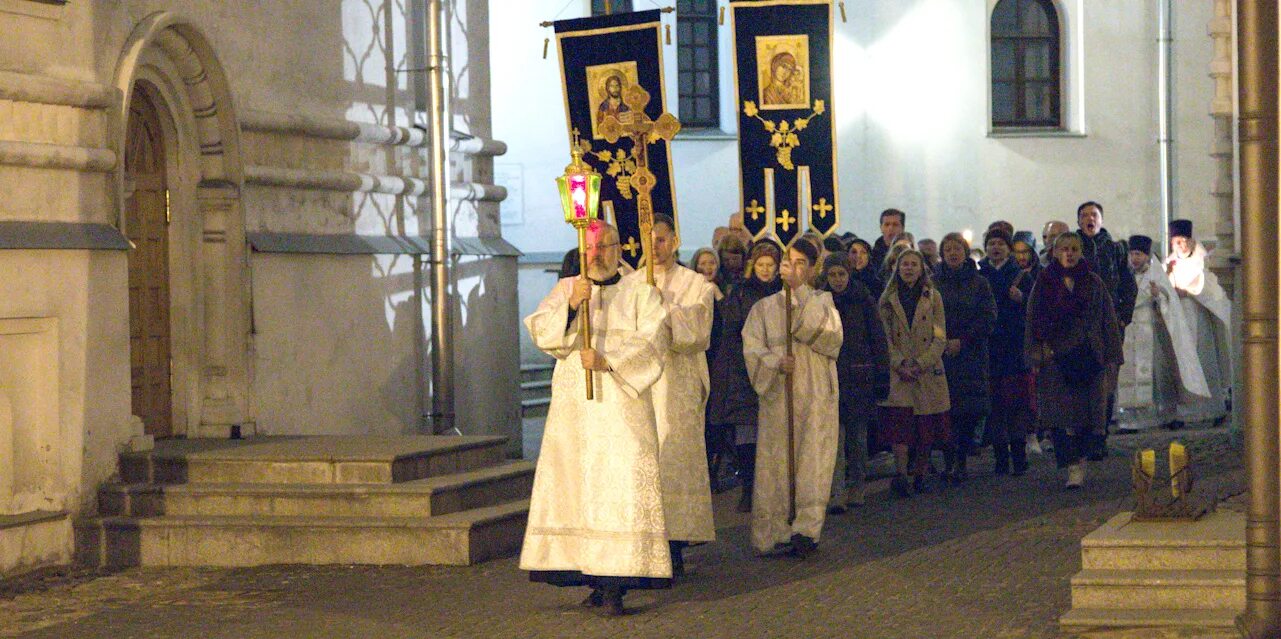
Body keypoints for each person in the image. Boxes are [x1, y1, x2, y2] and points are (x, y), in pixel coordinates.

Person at [521, 220, 671, 616]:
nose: (597, 255)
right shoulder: (569, 288)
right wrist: (572, 307)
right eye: (590, 248)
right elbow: (541, 331)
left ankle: (617, 584)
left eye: (605, 246)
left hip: (622, 408)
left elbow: (655, 341)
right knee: (578, 488)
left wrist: (608, 360)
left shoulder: (641, 290)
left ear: (619, 247)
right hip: (576, 412)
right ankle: (591, 575)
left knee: (619, 489)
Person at [743, 239, 843, 557]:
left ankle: (806, 529)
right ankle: (775, 529)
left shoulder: (823, 301)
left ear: (812, 268)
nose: (795, 268)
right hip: (779, 395)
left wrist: (799, 298)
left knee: (813, 459)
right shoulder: (763, 308)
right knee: (777, 462)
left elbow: (831, 340)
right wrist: (774, 362)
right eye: (791, 261)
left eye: (802, 262)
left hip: (814, 393)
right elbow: (752, 346)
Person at [639, 215, 717, 576]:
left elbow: (698, 330)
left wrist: (661, 309)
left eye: (662, 239)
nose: (655, 246)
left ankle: (677, 543)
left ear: (674, 241)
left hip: (679, 382)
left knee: (676, 461)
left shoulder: (695, 283)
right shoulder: (630, 283)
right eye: (649, 240)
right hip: (641, 385)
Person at [1025, 232, 1123, 489]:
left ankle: (1080, 461)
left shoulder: (1093, 283)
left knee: (1086, 415)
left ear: (1081, 252)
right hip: (1056, 357)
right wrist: (1036, 353)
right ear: (1055, 252)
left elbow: (1107, 319)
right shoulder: (1044, 282)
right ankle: (1069, 464)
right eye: (1064, 249)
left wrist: (1113, 355)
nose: (1069, 254)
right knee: (1060, 415)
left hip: (1089, 354)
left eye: (1074, 249)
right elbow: (1033, 318)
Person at [707, 240, 783, 513]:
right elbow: (731, 330)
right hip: (743, 370)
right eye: (761, 265)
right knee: (746, 432)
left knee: (773, 432)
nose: (765, 270)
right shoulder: (740, 293)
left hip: (774, 368)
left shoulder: (782, 293)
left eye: (770, 265)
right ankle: (749, 487)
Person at [878, 249, 950, 496]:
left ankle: (920, 473)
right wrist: (899, 363)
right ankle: (900, 474)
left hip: (926, 371)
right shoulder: (887, 299)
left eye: (913, 265)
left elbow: (940, 337)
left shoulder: (934, 297)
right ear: (897, 268)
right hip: (899, 371)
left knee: (925, 425)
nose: (908, 269)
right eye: (904, 264)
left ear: (921, 269)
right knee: (900, 425)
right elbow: (884, 337)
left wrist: (922, 363)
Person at [820, 254, 888, 513]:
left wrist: (881, 375)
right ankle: (836, 490)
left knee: (858, 438)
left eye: (841, 274)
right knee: (834, 438)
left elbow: (877, 339)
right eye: (832, 275)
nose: (837, 280)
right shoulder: (821, 302)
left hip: (859, 376)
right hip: (832, 376)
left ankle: (857, 484)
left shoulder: (863, 300)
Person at [1117, 234, 1207, 430]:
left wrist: (1158, 296)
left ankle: (1162, 414)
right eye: (1132, 254)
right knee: (1128, 372)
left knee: (1157, 374)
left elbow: (1169, 303)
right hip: (1130, 329)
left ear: (1147, 255)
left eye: (1138, 254)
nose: (1135, 258)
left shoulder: (1156, 276)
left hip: (1151, 331)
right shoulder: (1124, 275)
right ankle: (1130, 419)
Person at [1075, 201, 1136, 459]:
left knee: (1106, 381)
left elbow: (1128, 285)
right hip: (1078, 327)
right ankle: (1082, 433)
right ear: (1078, 221)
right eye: (1085, 215)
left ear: (1101, 220)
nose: (1090, 219)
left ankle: (1100, 435)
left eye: (1094, 215)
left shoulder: (1114, 249)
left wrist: (1122, 318)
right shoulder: (1072, 248)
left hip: (1109, 325)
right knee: (1081, 380)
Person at [935, 233, 995, 482]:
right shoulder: (934, 282)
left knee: (967, 409)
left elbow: (988, 315)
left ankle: (961, 458)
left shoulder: (979, 283)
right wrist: (942, 340)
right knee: (945, 409)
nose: (952, 253)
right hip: (941, 353)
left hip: (970, 353)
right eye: (947, 249)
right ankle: (949, 460)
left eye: (957, 249)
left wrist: (964, 340)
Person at [1164, 220, 1233, 424]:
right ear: (1171, 243)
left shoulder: (1203, 260)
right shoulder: (1168, 263)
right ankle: (1186, 412)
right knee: (1183, 365)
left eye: (1185, 241)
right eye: (1177, 242)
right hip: (1179, 324)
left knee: (1204, 362)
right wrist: (1167, 285)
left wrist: (1189, 291)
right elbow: (1161, 292)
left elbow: (1211, 289)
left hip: (1199, 318)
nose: (1182, 246)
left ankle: (1211, 410)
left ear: (1192, 241)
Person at [978, 228, 1035, 476]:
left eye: (1001, 243)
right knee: (996, 406)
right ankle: (1001, 458)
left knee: (1017, 404)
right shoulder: (980, 275)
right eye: (991, 244)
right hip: (990, 346)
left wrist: (1022, 298)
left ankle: (1019, 455)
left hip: (1015, 346)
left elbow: (1035, 307)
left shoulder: (1021, 276)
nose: (996, 248)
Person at [870, 209, 907, 277]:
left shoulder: (912, 255)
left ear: (902, 228)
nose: (890, 228)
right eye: (887, 224)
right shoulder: (871, 257)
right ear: (881, 228)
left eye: (895, 225)